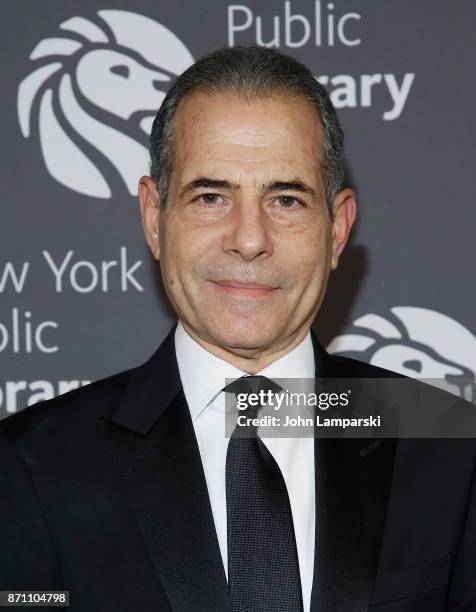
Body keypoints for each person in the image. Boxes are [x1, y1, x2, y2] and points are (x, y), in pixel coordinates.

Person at [1, 46, 475, 612]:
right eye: (210, 196)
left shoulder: (450, 447)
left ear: (337, 229)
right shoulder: (29, 468)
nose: (249, 239)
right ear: (154, 220)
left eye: (285, 198)